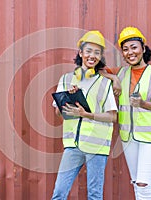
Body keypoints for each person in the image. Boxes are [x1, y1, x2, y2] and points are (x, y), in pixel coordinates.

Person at [100, 26, 151, 200]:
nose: (130, 52)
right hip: (129, 139)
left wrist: (143, 104)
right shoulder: (122, 72)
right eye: (125, 49)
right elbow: (97, 70)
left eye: (134, 47)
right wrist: (115, 78)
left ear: (143, 48)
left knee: (143, 184)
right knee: (136, 183)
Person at [51, 30, 118, 200]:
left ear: (100, 57)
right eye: (88, 51)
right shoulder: (66, 79)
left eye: (97, 53)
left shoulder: (104, 82)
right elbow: (60, 114)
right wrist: (68, 99)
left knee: (94, 195)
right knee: (59, 193)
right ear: (80, 53)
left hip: (97, 145)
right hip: (73, 144)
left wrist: (86, 114)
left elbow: (112, 116)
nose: (92, 56)